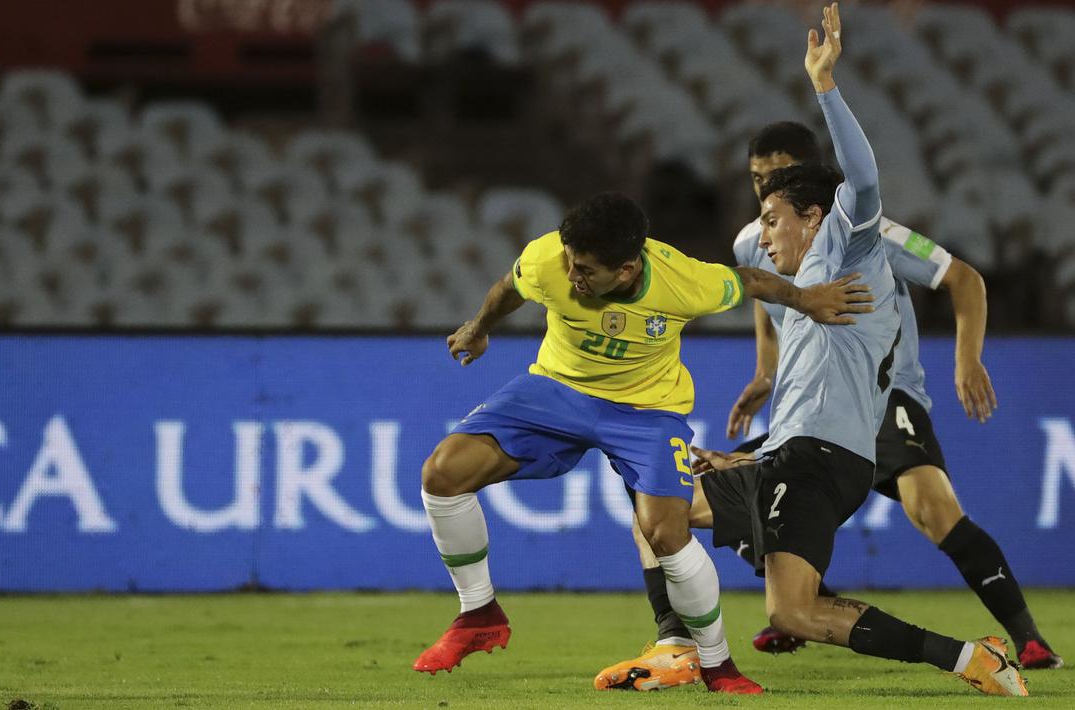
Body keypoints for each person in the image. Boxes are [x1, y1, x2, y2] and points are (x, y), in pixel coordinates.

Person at [596, 3, 1027, 696]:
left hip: (822, 460)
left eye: (771, 219)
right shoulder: (792, 289)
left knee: (792, 609)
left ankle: (971, 658)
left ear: (811, 215)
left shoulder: (848, 249)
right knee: (656, 508)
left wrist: (823, 84)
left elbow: (860, 179)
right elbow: (800, 381)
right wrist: (750, 441)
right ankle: (675, 642)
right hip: (794, 453)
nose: (760, 233)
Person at [412, 186, 872, 694]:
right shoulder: (547, 258)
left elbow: (751, 280)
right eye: (569, 262)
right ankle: (478, 613)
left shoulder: (683, 282)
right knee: (441, 473)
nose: (571, 276)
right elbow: (508, 288)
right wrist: (478, 328)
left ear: (627, 270)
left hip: (646, 411)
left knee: (666, 532)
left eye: (585, 270)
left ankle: (718, 666)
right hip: (557, 388)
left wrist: (807, 300)